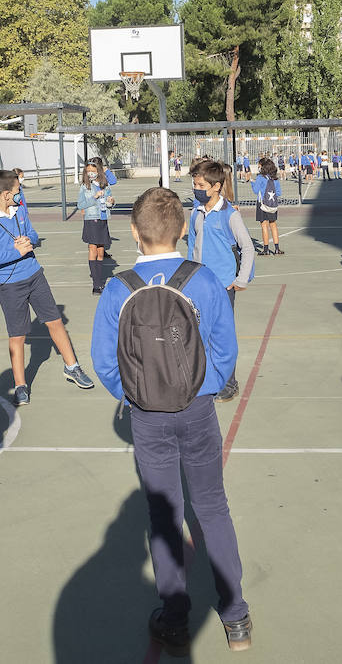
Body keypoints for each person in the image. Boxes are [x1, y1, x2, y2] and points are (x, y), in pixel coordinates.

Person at [89, 187, 252, 655]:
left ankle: (175, 616)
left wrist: (135, 395)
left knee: (165, 513)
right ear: (184, 229)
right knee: (213, 506)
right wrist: (206, 385)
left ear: (134, 233)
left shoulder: (118, 288)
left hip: (148, 418)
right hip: (198, 411)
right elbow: (225, 348)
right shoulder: (202, 280)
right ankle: (235, 613)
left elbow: (104, 361)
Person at [0, 169, 95, 407]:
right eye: (17, 189)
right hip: (9, 285)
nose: (21, 192)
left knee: (55, 322)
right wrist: (15, 251)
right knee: (17, 336)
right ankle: (20, 385)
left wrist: (28, 241)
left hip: (34, 275)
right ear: (6, 194)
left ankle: (72, 367)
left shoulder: (19, 208)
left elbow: (32, 233)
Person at [188, 160, 255, 403]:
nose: (196, 188)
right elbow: (191, 247)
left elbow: (247, 247)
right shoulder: (195, 212)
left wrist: (240, 280)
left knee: (222, 336)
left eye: (201, 185)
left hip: (223, 286)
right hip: (198, 285)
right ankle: (206, 380)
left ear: (216, 186)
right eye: (195, 184)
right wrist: (187, 276)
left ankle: (229, 383)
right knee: (199, 334)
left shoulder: (230, 215)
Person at [77, 162, 114, 294]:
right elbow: (80, 204)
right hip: (91, 219)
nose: (91, 173)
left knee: (100, 251)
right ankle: (96, 284)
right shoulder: (84, 187)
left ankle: (100, 280)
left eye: (93, 170)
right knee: (92, 248)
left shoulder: (105, 185)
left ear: (98, 171)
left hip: (102, 219)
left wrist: (111, 202)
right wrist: (95, 197)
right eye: (88, 171)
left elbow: (109, 204)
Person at [251, 156, 283, 257]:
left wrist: (252, 182)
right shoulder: (275, 178)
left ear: (262, 167)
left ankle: (266, 249)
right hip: (272, 204)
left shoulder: (260, 178)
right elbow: (278, 192)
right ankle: (277, 248)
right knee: (273, 225)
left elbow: (256, 191)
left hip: (262, 204)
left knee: (264, 225)